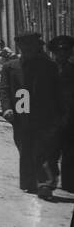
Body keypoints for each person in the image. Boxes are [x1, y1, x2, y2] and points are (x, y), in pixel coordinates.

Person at [0, 32, 62, 199]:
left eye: (31, 47)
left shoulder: (48, 66)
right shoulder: (10, 67)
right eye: (24, 47)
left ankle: (43, 184)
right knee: (24, 147)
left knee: (41, 149)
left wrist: (58, 115)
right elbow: (4, 90)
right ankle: (28, 182)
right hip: (21, 113)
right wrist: (6, 108)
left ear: (36, 47)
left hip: (44, 114)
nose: (28, 50)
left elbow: (57, 91)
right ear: (19, 47)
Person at [49, 35, 74, 193]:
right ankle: (49, 182)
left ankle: (69, 183)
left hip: (71, 117)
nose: (62, 54)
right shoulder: (47, 69)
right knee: (51, 151)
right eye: (59, 51)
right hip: (52, 117)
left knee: (70, 151)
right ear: (54, 53)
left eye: (66, 51)